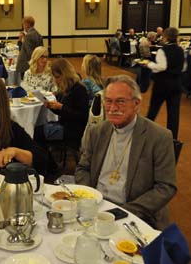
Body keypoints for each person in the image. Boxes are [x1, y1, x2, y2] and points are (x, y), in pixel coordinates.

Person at [75, 75, 176, 229]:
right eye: (108, 101)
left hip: (135, 213)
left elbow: (166, 187)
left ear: (136, 104)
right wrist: (90, 199)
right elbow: (83, 168)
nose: (113, 108)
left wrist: (124, 211)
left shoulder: (159, 137)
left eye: (120, 101)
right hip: (95, 207)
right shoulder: (97, 132)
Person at [35, 58, 89, 152]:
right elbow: (62, 112)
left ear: (65, 74)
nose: (56, 80)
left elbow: (82, 116)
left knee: (36, 133)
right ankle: (48, 161)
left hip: (73, 130)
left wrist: (61, 107)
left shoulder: (79, 89)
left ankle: (48, 163)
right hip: (64, 125)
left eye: (58, 77)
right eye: (54, 77)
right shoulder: (66, 88)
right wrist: (51, 106)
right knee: (36, 129)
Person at [142, 27, 185, 140]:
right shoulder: (180, 50)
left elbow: (162, 67)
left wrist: (149, 64)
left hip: (162, 84)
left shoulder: (163, 50)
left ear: (165, 37)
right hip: (176, 84)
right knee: (173, 113)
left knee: (153, 109)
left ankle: (145, 132)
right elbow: (184, 67)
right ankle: (173, 138)